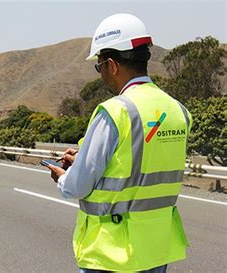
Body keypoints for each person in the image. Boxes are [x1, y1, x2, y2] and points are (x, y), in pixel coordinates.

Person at [45, 14, 192, 273]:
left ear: (111, 65)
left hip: (113, 253)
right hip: (156, 250)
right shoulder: (178, 110)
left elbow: (78, 186)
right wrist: (84, 159)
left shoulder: (115, 111)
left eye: (99, 66)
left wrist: (63, 178)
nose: (101, 73)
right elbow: (141, 166)